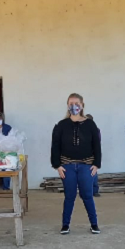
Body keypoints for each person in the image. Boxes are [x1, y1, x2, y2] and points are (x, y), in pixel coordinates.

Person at [51, 93, 102, 235]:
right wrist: (57, 165)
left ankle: (94, 224)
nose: (74, 106)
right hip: (67, 167)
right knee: (69, 195)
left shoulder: (90, 124)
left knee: (87, 195)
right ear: (67, 105)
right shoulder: (61, 125)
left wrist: (96, 164)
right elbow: (55, 146)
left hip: (86, 166)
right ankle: (65, 225)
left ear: (82, 105)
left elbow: (96, 145)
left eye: (77, 103)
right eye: (71, 103)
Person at [86, 114, 101, 197]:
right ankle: (88, 190)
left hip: (92, 154)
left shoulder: (96, 130)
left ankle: (94, 190)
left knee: (93, 172)